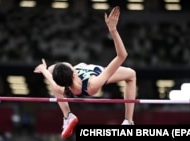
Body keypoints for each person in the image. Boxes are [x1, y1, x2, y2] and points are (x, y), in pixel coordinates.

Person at [34, 6, 137, 139]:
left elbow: (52, 79)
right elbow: (122, 56)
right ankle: (128, 121)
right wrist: (113, 30)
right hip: (98, 73)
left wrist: (43, 69)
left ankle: (68, 116)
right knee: (131, 75)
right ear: (73, 73)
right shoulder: (92, 84)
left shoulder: (60, 85)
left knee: (51, 72)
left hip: (72, 82)